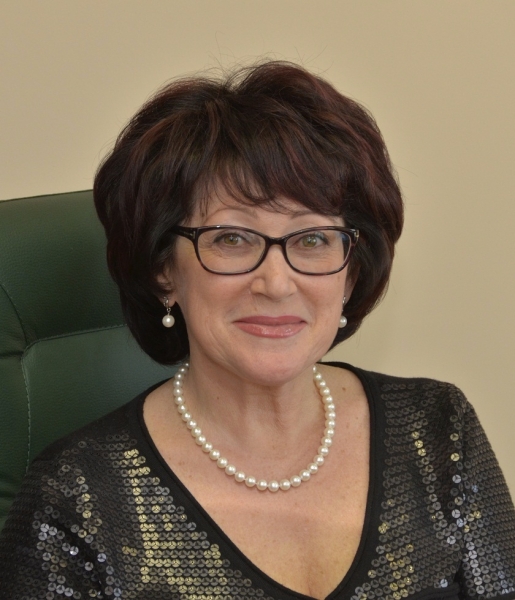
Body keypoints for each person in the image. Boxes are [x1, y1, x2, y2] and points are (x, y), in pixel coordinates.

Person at [0, 61, 514, 600]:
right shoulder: (76, 500)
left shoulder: (437, 431)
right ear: (162, 268)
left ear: (351, 271)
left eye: (312, 239)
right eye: (231, 239)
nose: (276, 283)